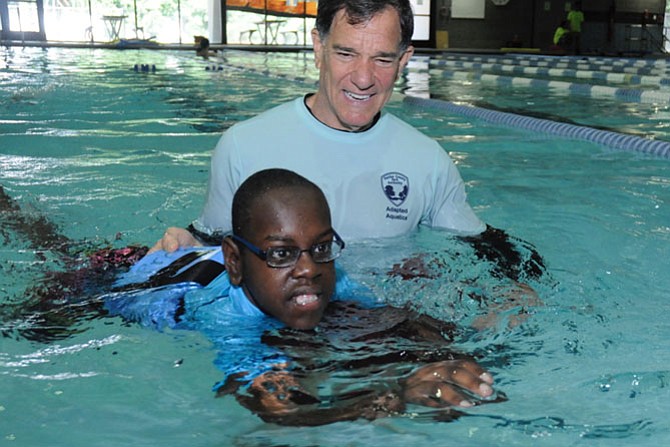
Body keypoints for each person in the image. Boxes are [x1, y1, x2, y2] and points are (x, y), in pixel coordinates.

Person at [151, 0, 545, 283]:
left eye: (383, 59)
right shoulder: (243, 145)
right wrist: (183, 241)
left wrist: (524, 287)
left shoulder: (428, 160)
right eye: (346, 53)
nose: (363, 77)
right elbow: (215, 244)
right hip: (279, 337)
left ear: (405, 60)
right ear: (318, 47)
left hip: (379, 333)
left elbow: (479, 247)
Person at [105, 168, 503, 425]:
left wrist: (443, 354)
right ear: (236, 261)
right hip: (143, 274)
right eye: (282, 253)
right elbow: (278, 407)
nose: (309, 268)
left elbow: (394, 322)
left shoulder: (334, 279)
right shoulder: (224, 317)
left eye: (322, 247)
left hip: (207, 258)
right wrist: (392, 394)